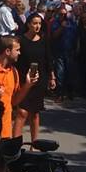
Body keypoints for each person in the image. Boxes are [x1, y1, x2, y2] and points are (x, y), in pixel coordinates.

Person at [13, 13, 56, 142]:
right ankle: (14, 145)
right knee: (21, 112)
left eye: (39, 24)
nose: (37, 26)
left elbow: (48, 59)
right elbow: (15, 61)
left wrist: (52, 77)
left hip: (39, 80)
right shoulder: (21, 40)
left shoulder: (44, 40)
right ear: (28, 24)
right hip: (23, 80)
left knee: (34, 114)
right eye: (34, 23)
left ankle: (34, 143)